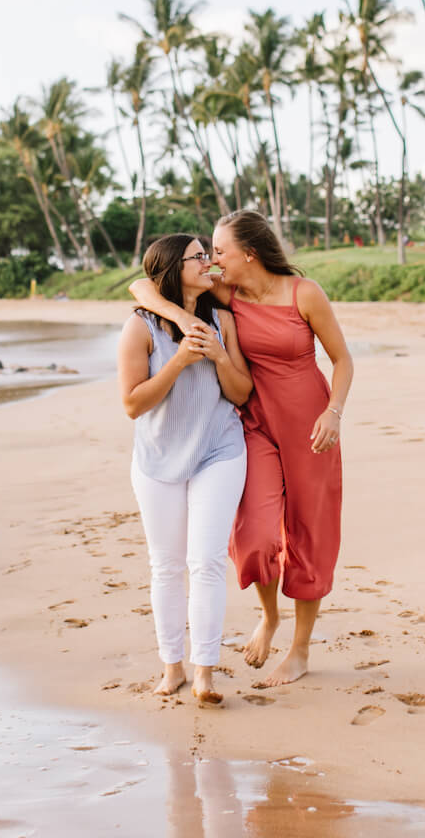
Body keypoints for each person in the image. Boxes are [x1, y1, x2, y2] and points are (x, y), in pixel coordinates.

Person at [130, 210, 354, 688]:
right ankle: (270, 617)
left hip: (311, 426)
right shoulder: (224, 292)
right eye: (208, 252)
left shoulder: (304, 294)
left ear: (248, 254)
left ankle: (300, 649)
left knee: (309, 535)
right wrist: (179, 317)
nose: (212, 259)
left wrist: (333, 412)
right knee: (252, 535)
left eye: (220, 251)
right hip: (254, 423)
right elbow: (142, 287)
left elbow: (342, 359)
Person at [117, 233, 253, 706]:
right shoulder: (141, 327)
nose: (207, 263)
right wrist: (178, 361)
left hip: (219, 449)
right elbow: (133, 404)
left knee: (208, 561)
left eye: (207, 255)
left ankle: (205, 672)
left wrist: (216, 354)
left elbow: (240, 393)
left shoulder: (222, 318)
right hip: (157, 458)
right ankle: (172, 666)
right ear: (175, 268)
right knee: (167, 565)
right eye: (198, 257)